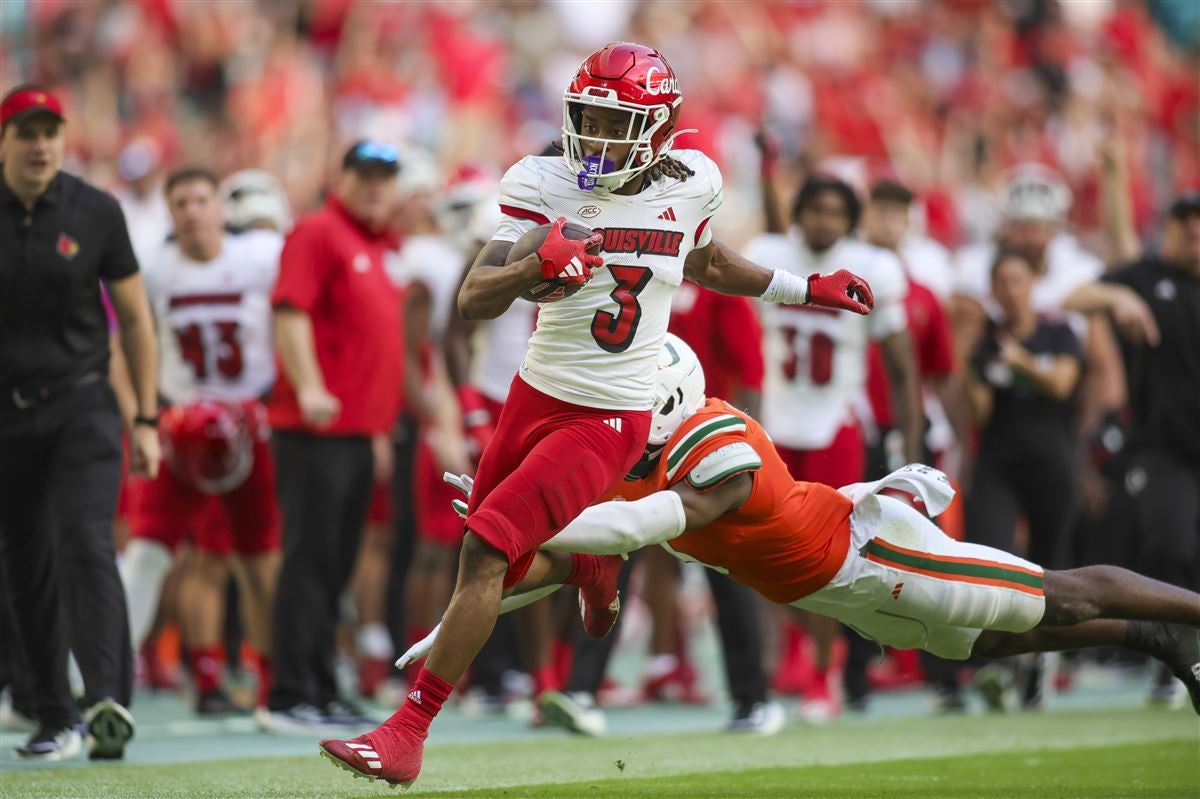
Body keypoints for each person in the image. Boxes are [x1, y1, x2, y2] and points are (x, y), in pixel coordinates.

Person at [319, 42, 874, 789]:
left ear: (658, 126)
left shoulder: (692, 183)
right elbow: (473, 299)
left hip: (610, 415)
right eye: (587, 118)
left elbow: (707, 263)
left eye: (615, 123)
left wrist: (803, 288)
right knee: (493, 557)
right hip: (531, 392)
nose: (596, 137)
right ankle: (588, 561)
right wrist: (530, 268)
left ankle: (407, 731)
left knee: (487, 550)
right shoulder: (542, 180)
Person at [416, 335, 1200, 731]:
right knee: (988, 643)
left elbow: (639, 523)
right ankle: (1155, 640)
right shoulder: (635, 463)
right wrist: (468, 604)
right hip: (842, 596)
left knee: (1053, 598)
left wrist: (524, 513)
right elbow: (554, 561)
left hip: (873, 552)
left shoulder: (716, 439)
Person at [0, 85, 160, 760]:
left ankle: (107, 701)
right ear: (4, 141)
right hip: (7, 415)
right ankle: (51, 711)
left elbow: (136, 321)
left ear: (63, 139)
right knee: (26, 561)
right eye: (25, 132)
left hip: (84, 404)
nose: (40, 144)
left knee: (86, 540)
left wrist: (146, 416)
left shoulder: (96, 211)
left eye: (50, 131)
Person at [746, 174, 921, 720]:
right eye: (813, 209)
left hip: (835, 422)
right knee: (757, 551)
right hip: (774, 419)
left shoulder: (876, 266)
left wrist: (909, 442)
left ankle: (826, 670)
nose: (823, 221)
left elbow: (901, 364)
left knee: (823, 555)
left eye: (835, 212)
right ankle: (794, 652)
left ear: (851, 220)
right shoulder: (769, 253)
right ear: (796, 213)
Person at [119, 167, 283, 718]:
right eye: (181, 202)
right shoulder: (154, 267)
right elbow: (124, 346)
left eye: (200, 199)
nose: (191, 211)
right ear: (170, 212)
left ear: (219, 207)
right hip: (180, 428)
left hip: (249, 422)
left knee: (259, 559)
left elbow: (293, 319)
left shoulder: (260, 256)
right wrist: (145, 415)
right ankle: (105, 678)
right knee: (149, 548)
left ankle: (271, 682)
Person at [266, 140, 405, 728]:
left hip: (355, 434)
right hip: (315, 430)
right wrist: (310, 387)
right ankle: (290, 691)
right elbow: (290, 310)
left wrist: (374, 429)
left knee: (337, 566)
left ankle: (321, 684)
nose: (376, 186)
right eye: (365, 175)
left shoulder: (378, 245)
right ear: (342, 177)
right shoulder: (319, 232)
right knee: (310, 561)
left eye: (385, 177)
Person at [1103, 192, 1200, 704]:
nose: (1194, 232)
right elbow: (1083, 293)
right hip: (1165, 445)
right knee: (1170, 545)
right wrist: (1118, 298)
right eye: (1185, 222)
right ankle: (1175, 659)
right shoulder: (1147, 277)